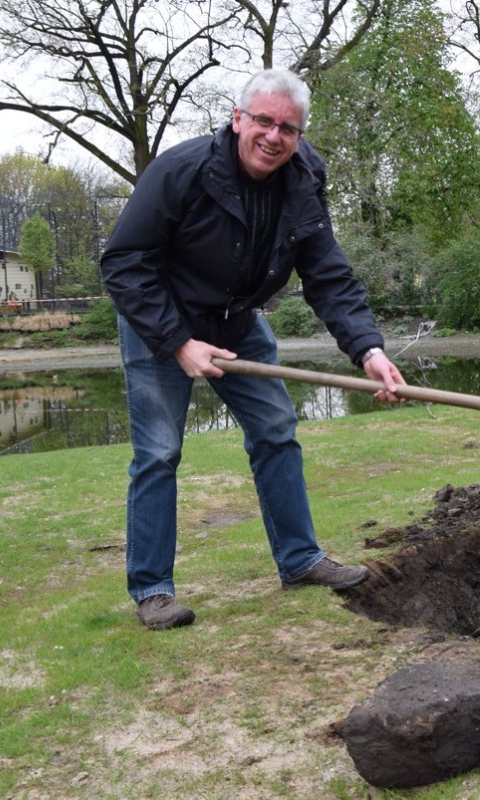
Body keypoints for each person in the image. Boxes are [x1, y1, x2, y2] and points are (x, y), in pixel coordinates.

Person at [101, 68, 405, 631]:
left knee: (276, 430)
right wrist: (177, 342)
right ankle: (153, 590)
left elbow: (328, 275)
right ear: (237, 119)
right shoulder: (181, 171)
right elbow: (123, 263)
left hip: (236, 323)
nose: (274, 136)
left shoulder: (304, 180)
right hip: (159, 321)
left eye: (288, 128)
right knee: (160, 452)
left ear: (299, 135)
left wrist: (368, 350)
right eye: (263, 121)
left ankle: (300, 560)